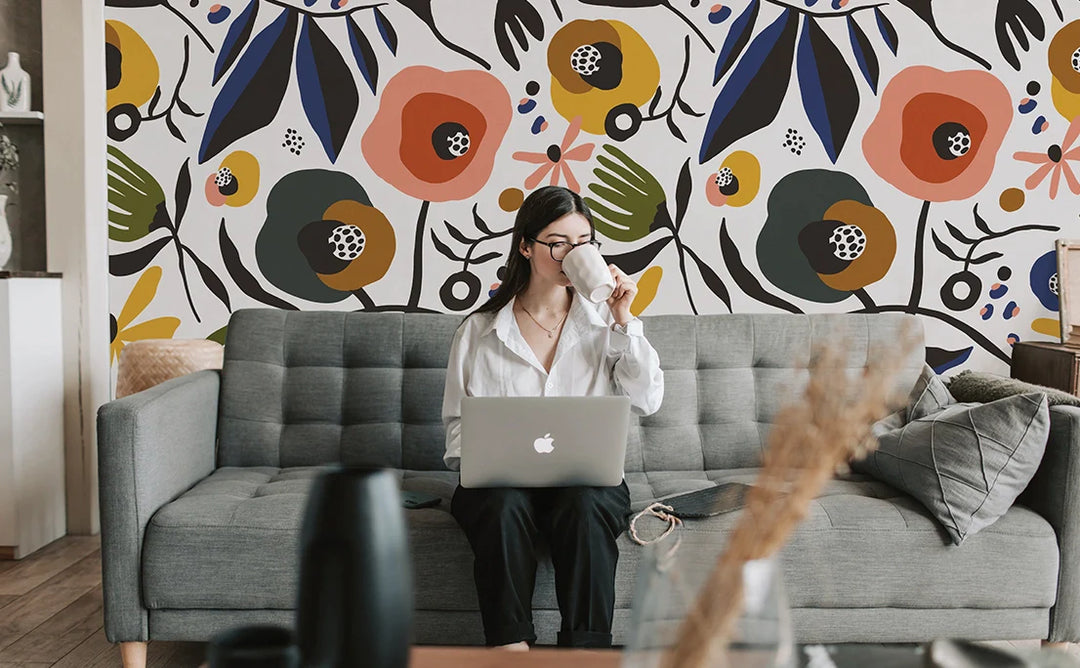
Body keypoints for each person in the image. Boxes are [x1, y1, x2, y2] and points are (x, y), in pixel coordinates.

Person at [441, 185, 664, 649]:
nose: (572, 254)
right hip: (501, 486)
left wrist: (625, 319)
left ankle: (585, 653)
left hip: (584, 482)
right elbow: (458, 428)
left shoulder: (605, 324)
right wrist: (485, 459)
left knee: (586, 506)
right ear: (526, 245)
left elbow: (648, 400)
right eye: (558, 242)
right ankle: (510, 650)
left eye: (584, 242)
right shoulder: (479, 331)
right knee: (502, 506)